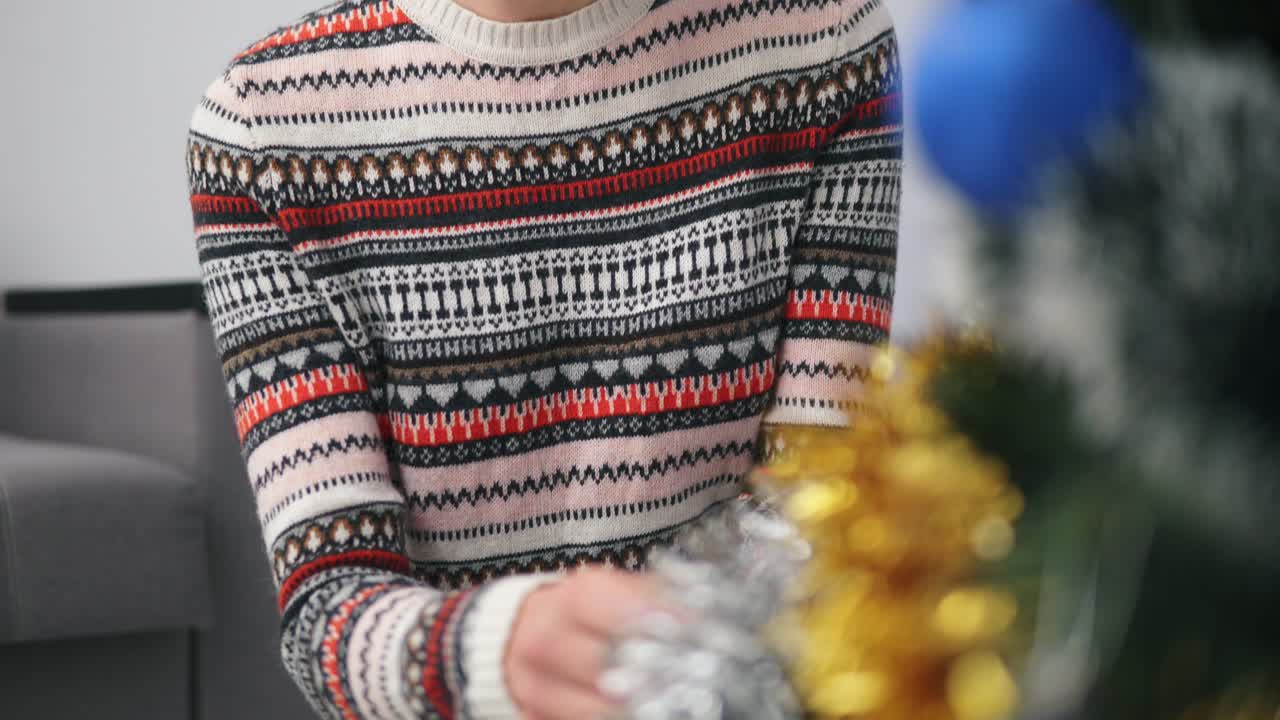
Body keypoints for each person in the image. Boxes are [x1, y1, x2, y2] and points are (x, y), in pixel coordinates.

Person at [185, 0, 902, 717]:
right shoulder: (258, 132)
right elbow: (328, 610)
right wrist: (495, 650)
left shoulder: (824, 43)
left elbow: (819, 518)